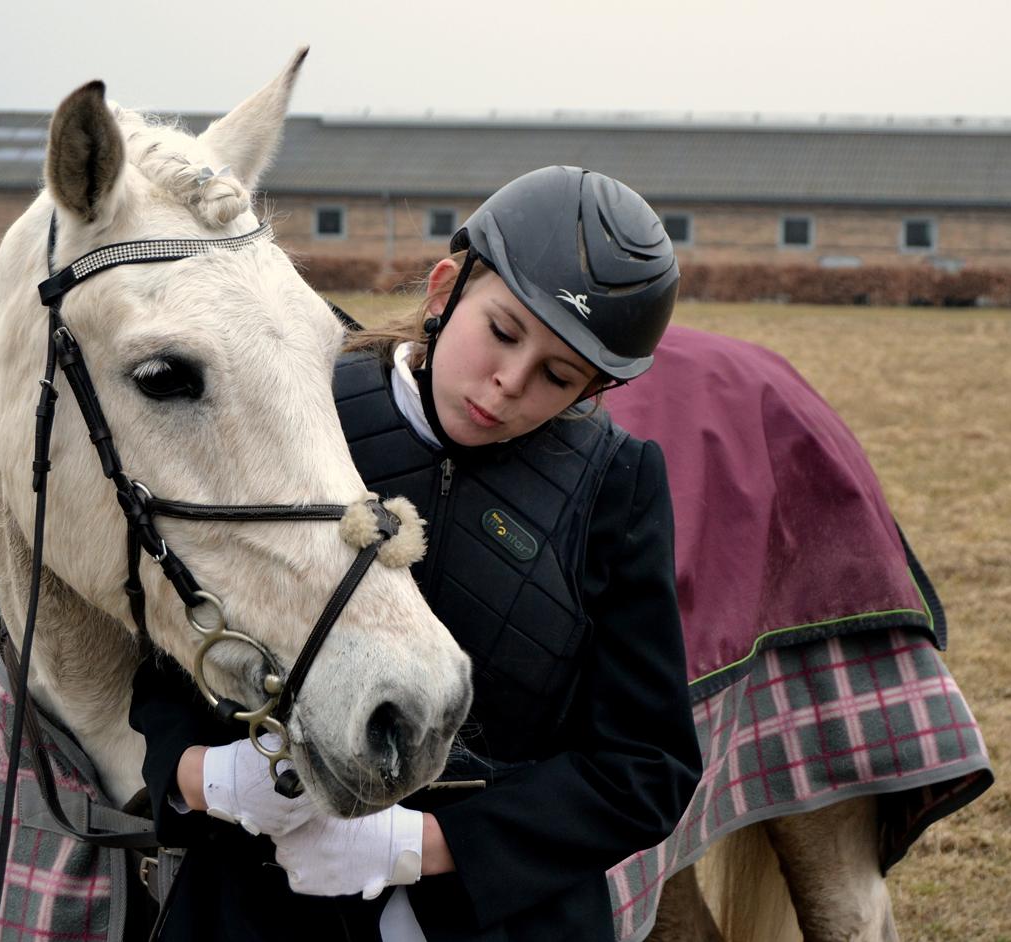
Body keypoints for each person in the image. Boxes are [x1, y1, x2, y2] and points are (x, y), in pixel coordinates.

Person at [129, 165, 700, 942]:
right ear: (444, 290)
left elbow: (645, 767)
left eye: (557, 376)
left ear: (591, 391)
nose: (506, 384)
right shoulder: (302, 408)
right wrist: (202, 777)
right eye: (501, 332)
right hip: (253, 907)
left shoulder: (618, 488)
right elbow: (171, 647)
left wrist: (423, 847)